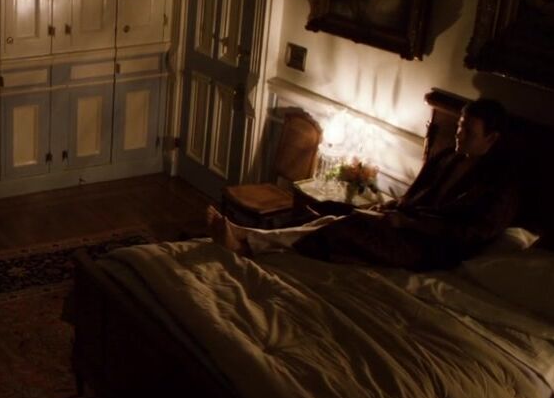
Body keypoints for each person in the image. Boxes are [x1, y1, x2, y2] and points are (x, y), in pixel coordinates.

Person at [207, 98, 518, 271]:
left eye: (468, 132)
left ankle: (249, 242)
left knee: (341, 229)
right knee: (333, 218)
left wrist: (407, 222)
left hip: (428, 249)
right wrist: (391, 207)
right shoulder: (447, 157)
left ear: (491, 138)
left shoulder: (497, 186)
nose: (459, 135)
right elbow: (414, 196)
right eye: (460, 127)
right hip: (401, 224)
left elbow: (467, 233)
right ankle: (247, 238)